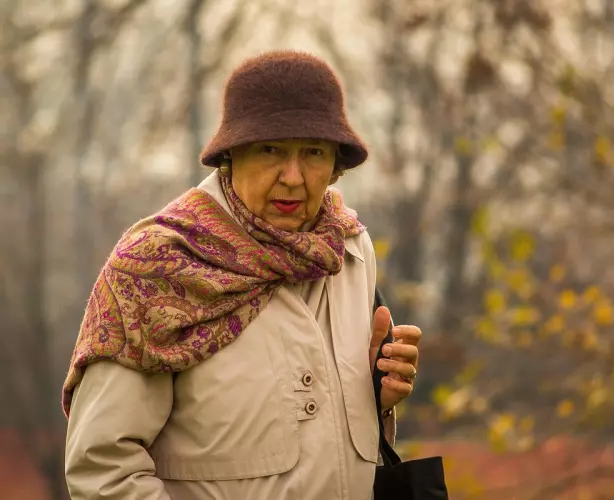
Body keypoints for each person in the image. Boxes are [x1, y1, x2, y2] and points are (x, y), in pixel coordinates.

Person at [63, 50, 422, 500]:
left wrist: (374, 397)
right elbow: (102, 472)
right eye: (270, 149)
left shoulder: (350, 251)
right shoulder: (154, 269)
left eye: (312, 152)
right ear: (230, 156)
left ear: (335, 165)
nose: (293, 176)